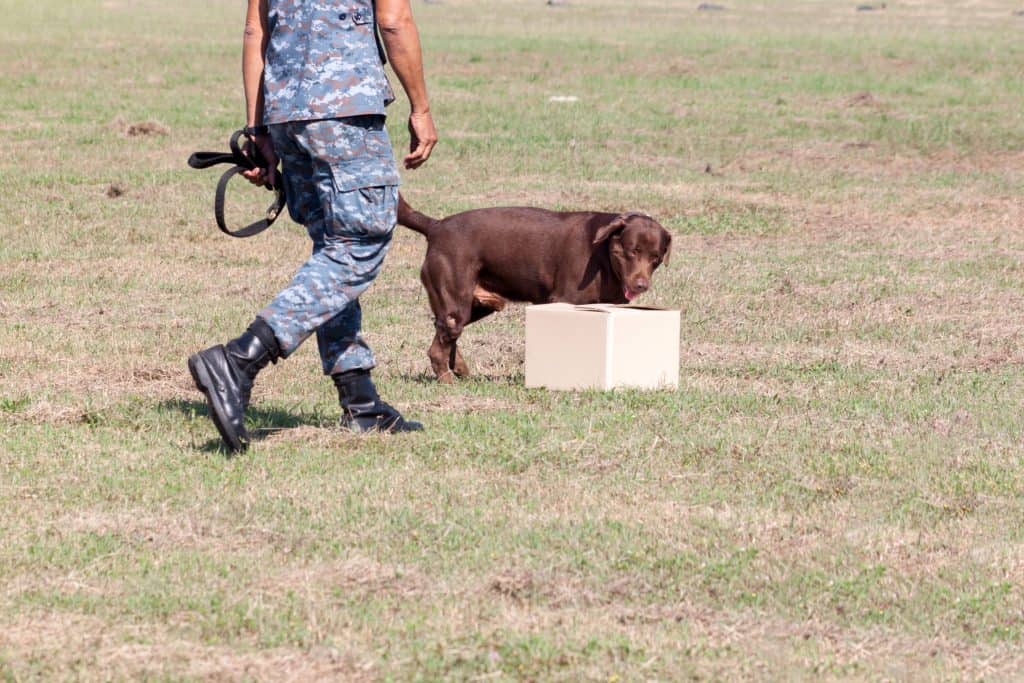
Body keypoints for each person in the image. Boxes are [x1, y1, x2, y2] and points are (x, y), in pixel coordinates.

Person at [188, 0, 438, 452]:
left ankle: (360, 401)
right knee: (358, 244)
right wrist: (420, 107)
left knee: (333, 247)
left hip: (286, 114)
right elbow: (394, 19)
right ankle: (240, 359)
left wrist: (258, 127)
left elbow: (255, 32)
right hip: (345, 111)